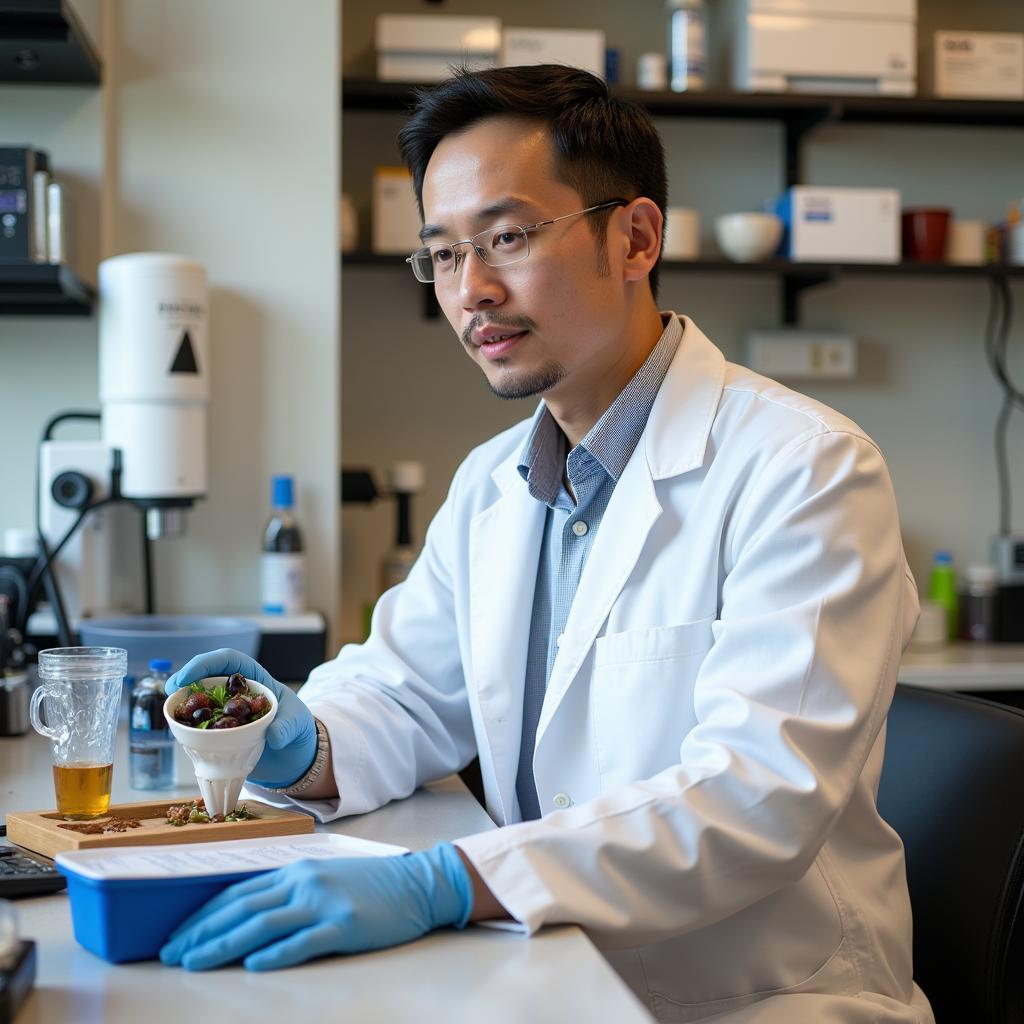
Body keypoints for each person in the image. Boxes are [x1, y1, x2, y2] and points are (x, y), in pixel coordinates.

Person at [160, 65, 934, 1024]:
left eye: (509, 237)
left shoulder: (806, 469)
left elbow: (755, 799)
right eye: (443, 255)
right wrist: (292, 741)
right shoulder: (494, 483)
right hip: (548, 981)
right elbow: (405, 694)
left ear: (636, 237)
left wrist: (444, 880)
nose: (472, 291)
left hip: (760, 1000)